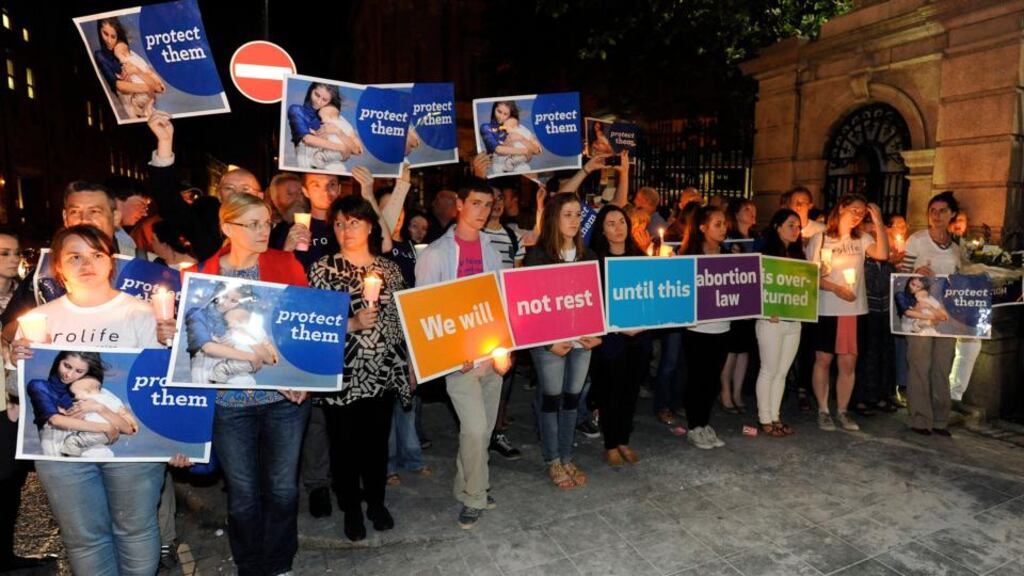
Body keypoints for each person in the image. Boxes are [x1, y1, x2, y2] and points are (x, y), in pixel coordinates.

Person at [11, 224, 171, 576]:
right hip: (60, 454)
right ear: (59, 266)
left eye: (96, 255)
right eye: (75, 257)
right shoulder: (40, 318)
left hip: (132, 447)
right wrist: (16, 360)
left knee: (135, 529)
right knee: (84, 537)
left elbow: (160, 389)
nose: (87, 263)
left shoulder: (141, 314)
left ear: (110, 261)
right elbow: (19, 389)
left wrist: (173, 439)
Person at [181, 193, 310, 576]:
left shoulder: (286, 264)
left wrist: (301, 379)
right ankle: (250, 565)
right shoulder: (197, 278)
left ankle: (280, 562)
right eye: (252, 224)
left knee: (284, 490)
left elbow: (299, 331)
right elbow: (194, 343)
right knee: (243, 496)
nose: (263, 231)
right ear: (227, 228)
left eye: (267, 222)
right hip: (228, 403)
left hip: (284, 400)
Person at [309, 196, 412, 541]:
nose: (345, 230)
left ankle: (376, 503)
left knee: (376, 444)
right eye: (338, 224)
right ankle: (351, 508)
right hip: (344, 373)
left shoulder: (391, 269)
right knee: (343, 447)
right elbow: (315, 323)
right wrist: (351, 324)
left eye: (353, 222)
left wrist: (408, 363)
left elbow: (400, 321)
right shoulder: (323, 269)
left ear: (370, 225)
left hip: (382, 372)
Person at [414, 178, 508, 529]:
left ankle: (467, 483)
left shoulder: (491, 248)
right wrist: (449, 354)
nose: (483, 211)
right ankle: (475, 496)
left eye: (489, 204)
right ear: (460, 204)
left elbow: (500, 302)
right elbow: (425, 312)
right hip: (459, 361)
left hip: (490, 356)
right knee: (474, 429)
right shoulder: (437, 254)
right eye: (476, 204)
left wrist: (504, 348)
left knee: (480, 433)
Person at [524, 192, 601, 489]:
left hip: (583, 341)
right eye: (567, 214)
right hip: (550, 343)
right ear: (554, 218)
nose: (573, 221)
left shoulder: (589, 255)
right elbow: (528, 307)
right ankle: (552, 459)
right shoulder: (537, 257)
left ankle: (567, 456)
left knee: (573, 398)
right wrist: (547, 344)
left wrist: (598, 333)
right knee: (551, 399)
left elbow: (597, 300)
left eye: (577, 215)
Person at [805, 193, 888, 432]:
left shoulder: (862, 238)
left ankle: (842, 410)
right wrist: (835, 288)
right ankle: (823, 410)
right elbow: (809, 276)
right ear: (841, 208)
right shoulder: (820, 238)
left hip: (854, 310)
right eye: (854, 210)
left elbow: (883, 255)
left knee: (848, 362)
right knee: (823, 359)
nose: (858, 216)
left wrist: (879, 222)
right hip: (827, 308)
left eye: (862, 213)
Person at [588, 204, 651, 464]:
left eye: (622, 222)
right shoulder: (595, 263)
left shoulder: (642, 259)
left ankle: (624, 439)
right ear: (602, 230)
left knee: (631, 391)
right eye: (611, 223)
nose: (618, 228)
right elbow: (594, 303)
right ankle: (611, 443)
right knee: (611, 392)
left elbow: (651, 297)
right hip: (611, 339)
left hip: (640, 337)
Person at [900, 191, 963, 436]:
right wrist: (915, 271)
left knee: (942, 366)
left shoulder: (957, 247)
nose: (936, 216)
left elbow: (962, 282)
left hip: (947, 316)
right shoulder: (916, 240)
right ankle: (919, 418)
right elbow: (901, 278)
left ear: (952, 214)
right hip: (922, 314)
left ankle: (940, 419)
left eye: (942, 211)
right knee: (919, 363)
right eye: (932, 211)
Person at [682, 206, 731, 449]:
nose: (723, 229)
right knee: (698, 379)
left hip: (722, 327)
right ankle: (694, 426)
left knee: (713, 380)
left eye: (724, 224)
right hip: (698, 330)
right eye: (718, 224)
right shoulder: (690, 257)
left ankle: (705, 423)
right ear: (702, 228)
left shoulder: (730, 255)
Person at [754, 209, 804, 437]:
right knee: (769, 369)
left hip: (793, 321)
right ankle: (764, 417)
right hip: (771, 320)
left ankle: (775, 415)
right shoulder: (764, 255)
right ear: (777, 226)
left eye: (798, 226)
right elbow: (755, 287)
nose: (796, 230)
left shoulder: (798, 255)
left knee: (782, 372)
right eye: (791, 225)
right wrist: (765, 309)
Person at [720, 199, 758, 415]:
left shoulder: (757, 239)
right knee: (730, 351)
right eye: (746, 210)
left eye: (754, 210)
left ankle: (737, 392)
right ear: (735, 214)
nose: (752, 213)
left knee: (744, 350)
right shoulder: (728, 241)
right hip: (732, 300)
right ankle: (725, 392)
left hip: (750, 301)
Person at [93, 18, 162, 119]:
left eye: (113, 36)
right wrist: (149, 87)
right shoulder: (100, 55)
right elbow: (119, 85)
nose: (108, 40)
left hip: (148, 105)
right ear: (99, 31)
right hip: (129, 108)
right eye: (105, 33)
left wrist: (136, 71)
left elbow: (159, 87)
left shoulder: (130, 54)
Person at [287, 82, 358, 170]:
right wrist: (342, 147)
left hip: (330, 164)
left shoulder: (332, 117)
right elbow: (307, 139)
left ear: (330, 101)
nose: (318, 101)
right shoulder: (296, 110)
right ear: (310, 91)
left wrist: (338, 132)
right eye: (317, 95)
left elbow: (355, 150)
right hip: (308, 163)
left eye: (324, 100)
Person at [479, 101, 542, 175]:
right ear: (494, 109)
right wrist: (525, 151)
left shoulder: (520, 127)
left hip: (519, 166)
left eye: (505, 114)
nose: (501, 117)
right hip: (498, 167)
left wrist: (521, 138)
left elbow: (537, 151)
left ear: (510, 114)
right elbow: (498, 149)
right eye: (499, 111)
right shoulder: (486, 127)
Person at [112, 40, 165, 118]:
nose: (119, 59)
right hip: (145, 93)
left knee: (137, 102)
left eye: (120, 55)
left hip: (143, 93)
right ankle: (147, 108)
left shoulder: (130, 60)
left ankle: (144, 109)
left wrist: (136, 71)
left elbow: (160, 88)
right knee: (142, 102)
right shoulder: (133, 61)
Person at [311, 104, 363, 170]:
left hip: (337, 152)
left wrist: (337, 131)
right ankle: (319, 165)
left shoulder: (330, 123)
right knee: (322, 156)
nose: (322, 120)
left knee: (321, 156)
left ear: (329, 117)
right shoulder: (345, 124)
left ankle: (318, 166)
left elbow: (358, 150)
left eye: (322, 118)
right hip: (338, 152)